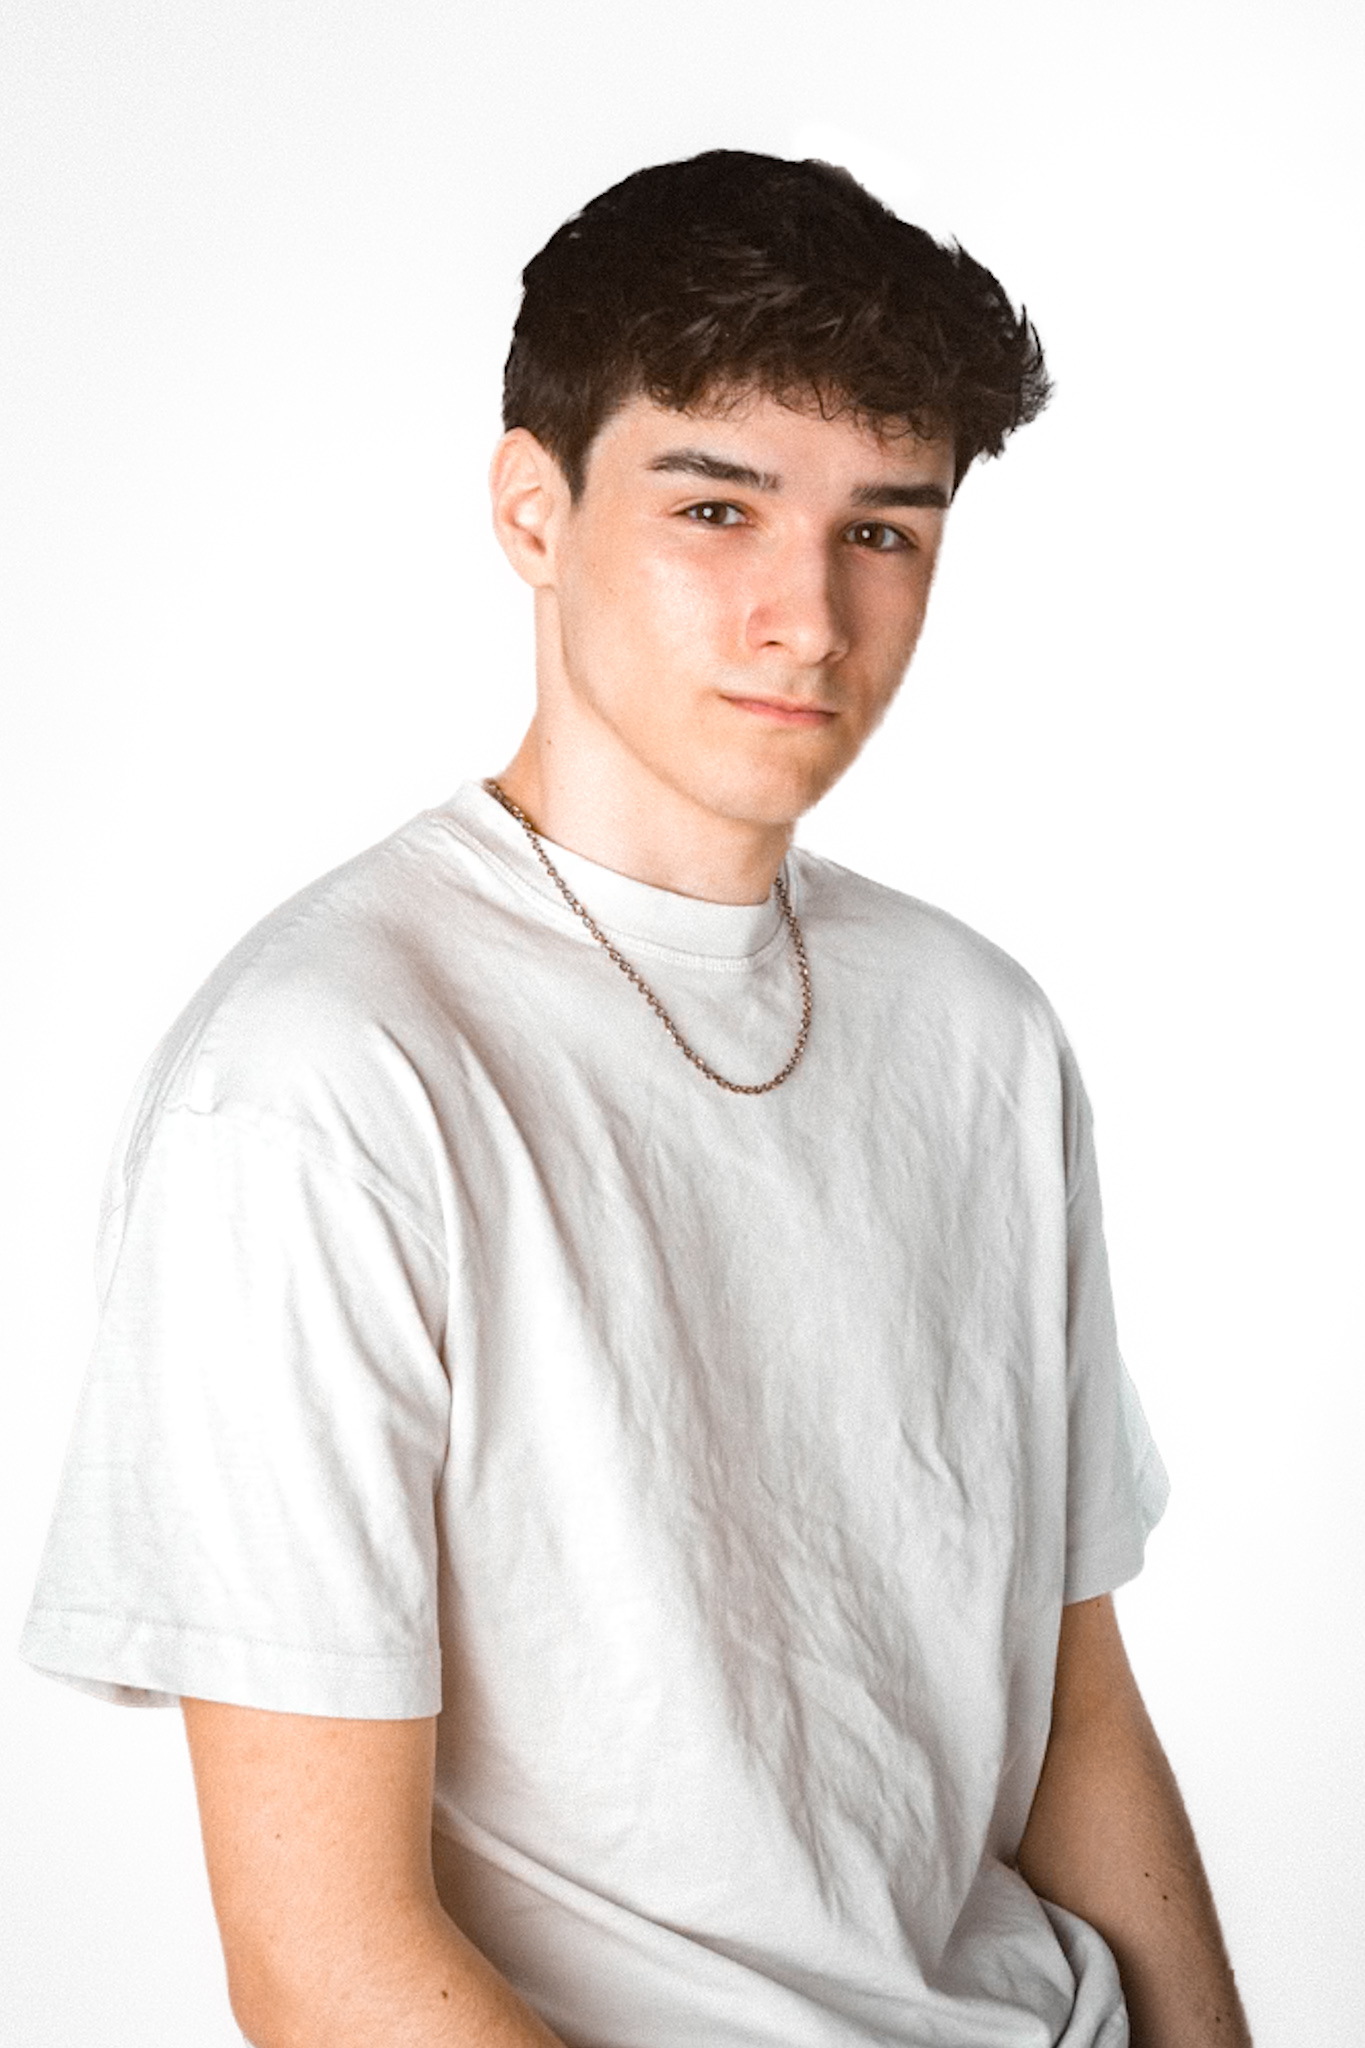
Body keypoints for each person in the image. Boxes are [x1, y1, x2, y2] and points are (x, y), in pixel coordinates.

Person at [21, 150, 1251, 2048]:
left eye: (881, 528)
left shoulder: (977, 1031)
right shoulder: (321, 1082)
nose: (806, 617)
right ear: (534, 509)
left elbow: (1070, 1707)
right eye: (714, 507)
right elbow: (325, 1962)